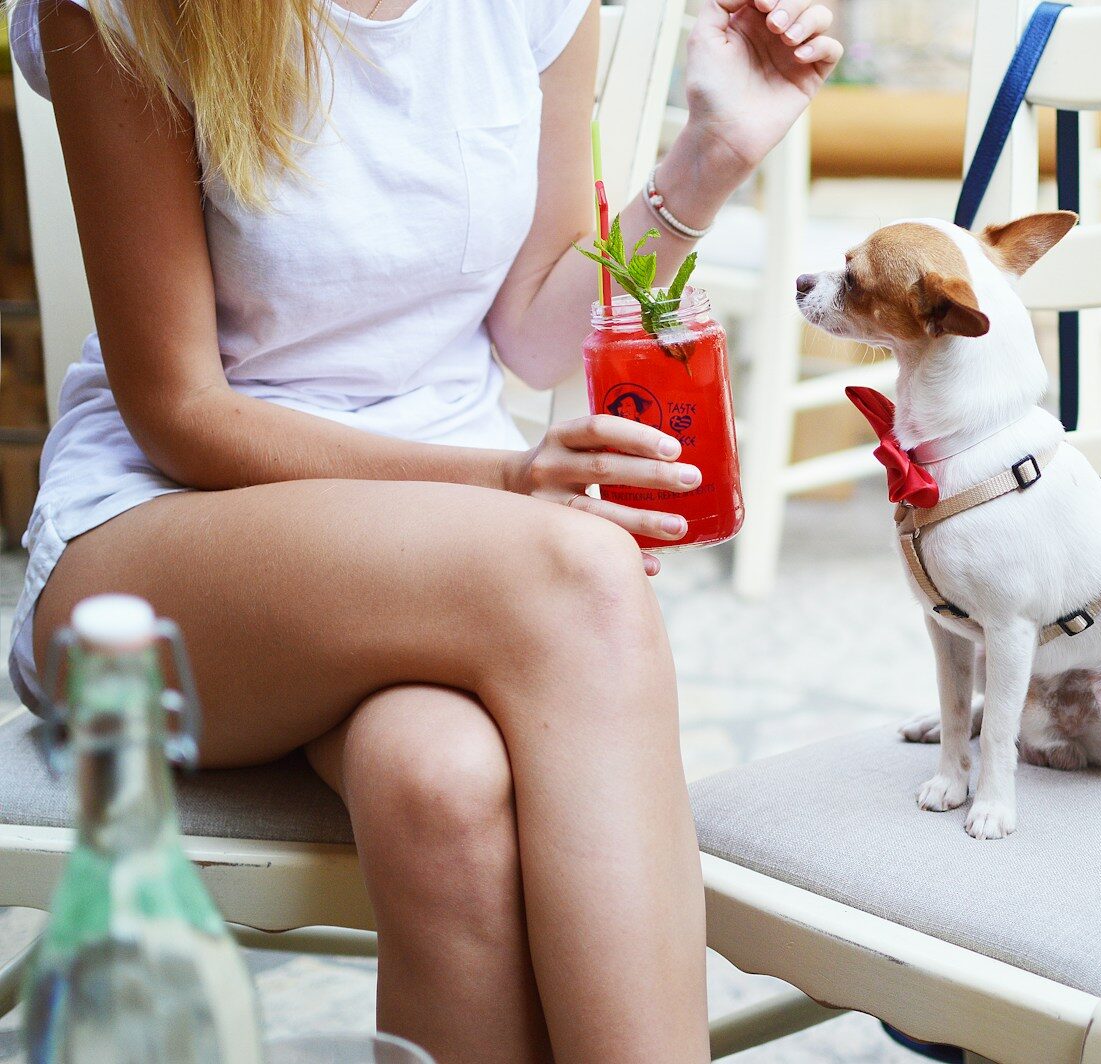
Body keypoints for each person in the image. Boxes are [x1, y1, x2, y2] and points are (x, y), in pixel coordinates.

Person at [5, 0, 838, 1060]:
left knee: (437, 782)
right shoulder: (131, 12)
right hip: (168, 542)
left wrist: (710, 155)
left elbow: (532, 330)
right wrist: (500, 479)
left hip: (437, 553)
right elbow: (183, 414)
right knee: (579, 571)